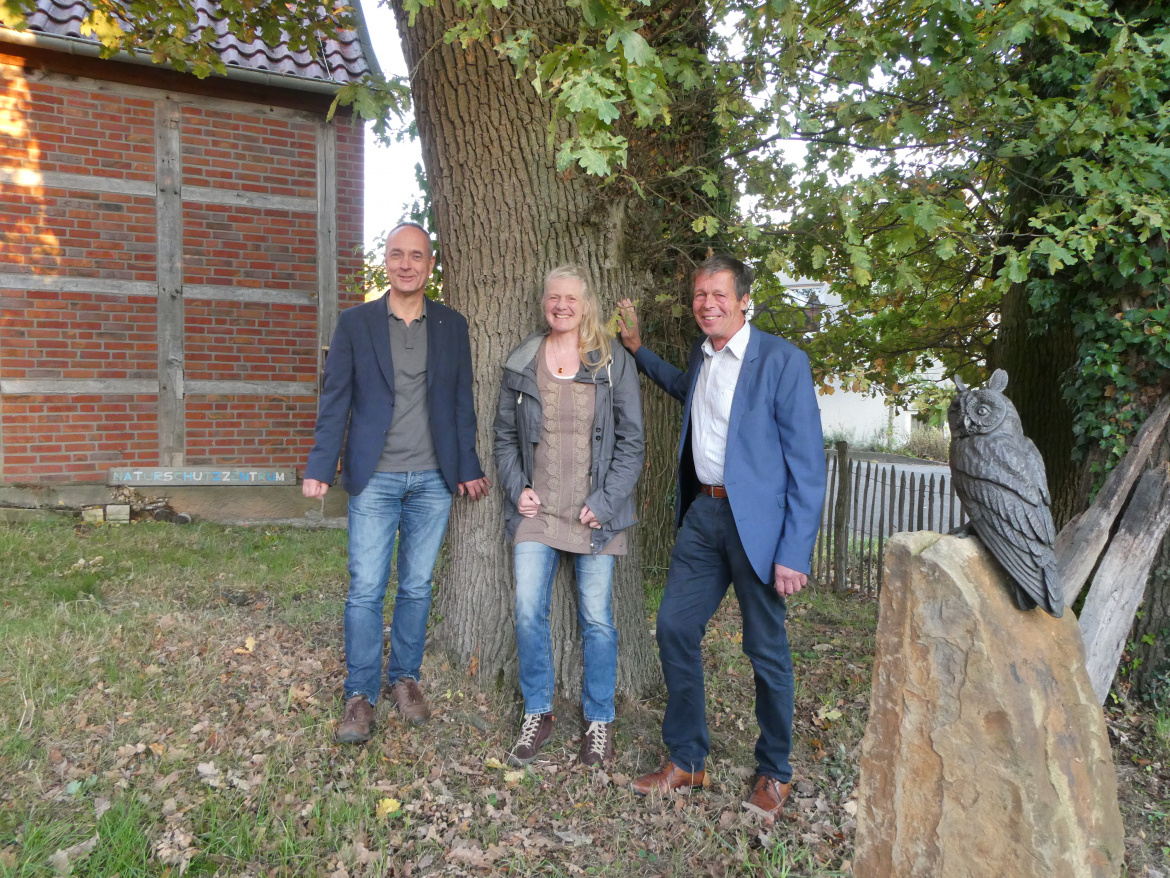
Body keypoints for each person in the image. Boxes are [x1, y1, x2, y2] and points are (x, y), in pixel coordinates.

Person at [616, 254, 825, 821]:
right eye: (699, 295)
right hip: (704, 520)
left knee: (765, 650)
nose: (707, 304)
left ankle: (775, 771)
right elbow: (686, 389)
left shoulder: (782, 362)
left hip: (760, 529)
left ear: (743, 300)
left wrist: (793, 551)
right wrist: (636, 351)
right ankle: (687, 759)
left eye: (718, 295)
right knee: (674, 627)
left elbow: (808, 465)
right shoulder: (702, 356)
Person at [303, 222, 491, 744]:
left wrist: (468, 463)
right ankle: (359, 694)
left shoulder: (452, 326)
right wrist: (320, 466)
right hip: (375, 477)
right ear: (385, 262)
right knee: (365, 589)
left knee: (415, 586)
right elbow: (334, 397)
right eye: (396, 255)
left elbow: (460, 402)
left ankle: (404, 679)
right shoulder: (356, 323)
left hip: (433, 479)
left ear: (430, 265)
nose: (406, 264)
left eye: (416, 256)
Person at [493, 265, 644, 767]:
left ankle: (598, 720)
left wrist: (604, 503)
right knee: (527, 609)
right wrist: (519, 490)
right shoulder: (522, 360)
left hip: (595, 517)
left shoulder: (611, 361)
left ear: (587, 306)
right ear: (545, 303)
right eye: (553, 297)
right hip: (537, 513)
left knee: (597, 620)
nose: (560, 305)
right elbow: (503, 437)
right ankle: (539, 711)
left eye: (570, 299)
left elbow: (632, 442)